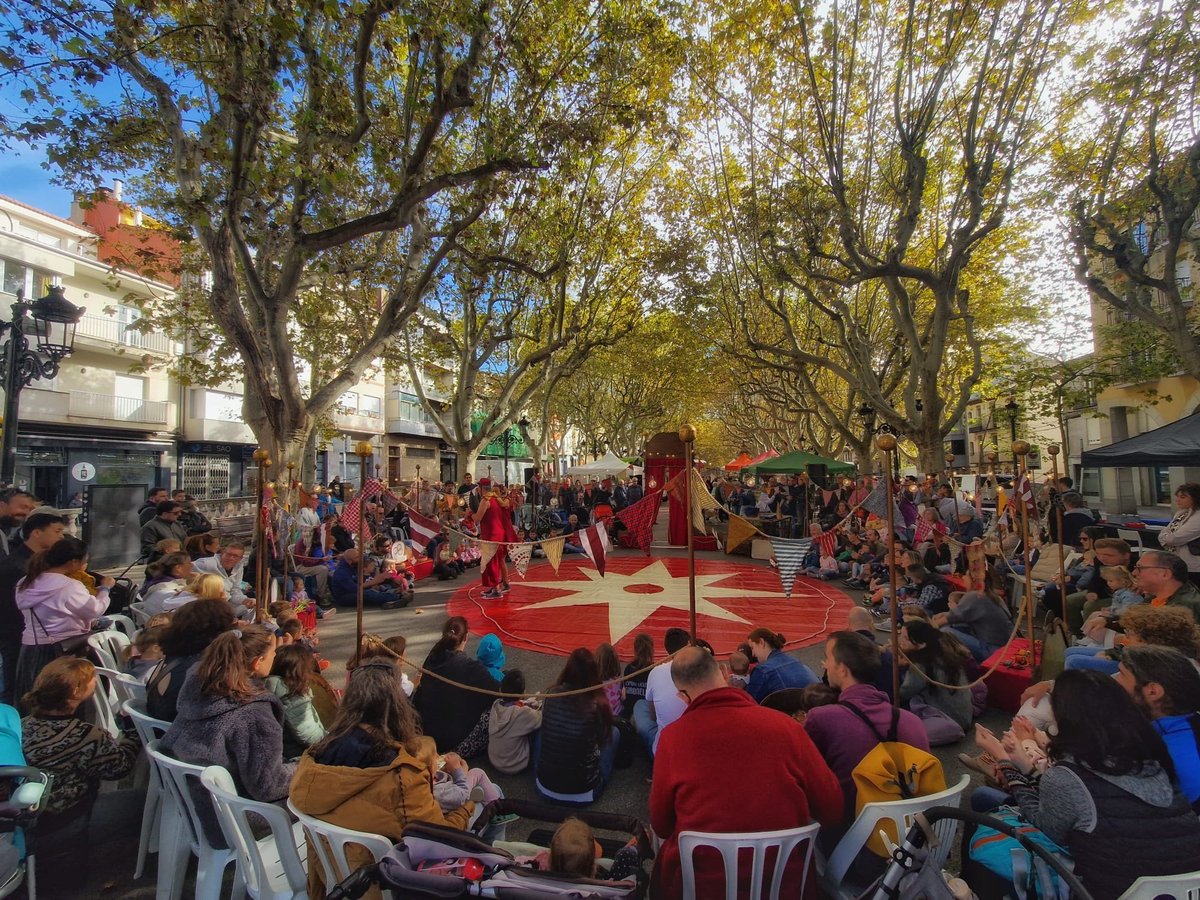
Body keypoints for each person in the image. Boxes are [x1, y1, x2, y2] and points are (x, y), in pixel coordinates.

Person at [975, 669, 1200, 900]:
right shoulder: (1151, 756)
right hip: (1184, 888)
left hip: (1110, 890)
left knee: (984, 817)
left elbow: (1047, 829)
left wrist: (1006, 762)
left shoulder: (1068, 773)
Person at [650, 646, 843, 899]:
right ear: (724, 672)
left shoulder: (673, 738)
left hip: (700, 886)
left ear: (683, 697)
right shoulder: (786, 727)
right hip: (785, 883)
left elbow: (662, 825)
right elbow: (832, 808)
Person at [289, 661, 475, 898]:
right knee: (480, 803)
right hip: (385, 884)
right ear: (397, 708)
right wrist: (470, 804)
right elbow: (438, 839)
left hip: (333, 877)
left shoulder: (314, 761)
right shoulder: (400, 777)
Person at [160, 625, 294, 846]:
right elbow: (268, 786)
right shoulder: (253, 712)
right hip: (235, 818)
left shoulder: (201, 689)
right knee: (328, 793)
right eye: (273, 653)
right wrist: (304, 769)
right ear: (256, 662)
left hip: (199, 806)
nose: (276, 656)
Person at [805, 631, 929, 824]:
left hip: (855, 834)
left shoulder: (821, 719)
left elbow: (806, 780)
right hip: (910, 833)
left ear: (843, 670)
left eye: (827, 658)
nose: (825, 665)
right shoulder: (912, 722)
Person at [20, 656, 139, 828]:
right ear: (76, 691)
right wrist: (133, 733)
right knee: (143, 804)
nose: (95, 680)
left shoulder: (22, 723)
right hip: (66, 817)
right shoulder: (86, 735)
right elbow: (120, 768)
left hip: (25, 814)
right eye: (91, 678)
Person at [14, 537, 112, 700]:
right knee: (63, 699)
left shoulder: (25, 581)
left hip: (31, 648)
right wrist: (105, 589)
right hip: (62, 649)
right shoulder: (69, 585)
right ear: (74, 561)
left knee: (36, 698)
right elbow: (95, 610)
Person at [1117, 644, 1200, 808]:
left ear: (1152, 691)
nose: (1113, 680)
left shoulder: (1168, 755)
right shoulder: (1186, 722)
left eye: (1121, 674)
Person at [534, 647, 618, 806]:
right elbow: (603, 738)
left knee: (540, 732)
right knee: (615, 733)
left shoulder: (552, 694)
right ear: (594, 673)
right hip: (585, 793)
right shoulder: (596, 703)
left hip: (543, 787)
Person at [0, 513, 65, 705]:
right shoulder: (17, 567)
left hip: (32, 635)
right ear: (36, 533)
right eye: (57, 531)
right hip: (17, 635)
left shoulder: (38, 562)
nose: (61, 537)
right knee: (16, 687)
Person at [413, 617, 500, 757]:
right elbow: (497, 693)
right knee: (497, 709)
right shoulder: (470, 667)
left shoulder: (433, 656)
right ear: (466, 637)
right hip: (452, 743)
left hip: (426, 732)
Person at [145, 597, 237, 721]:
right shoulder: (198, 671)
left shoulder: (172, 658)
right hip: (178, 734)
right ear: (217, 632)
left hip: (161, 730)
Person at [899, 620, 973, 744]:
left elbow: (905, 692)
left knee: (902, 729)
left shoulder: (920, 664)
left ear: (921, 644)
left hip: (949, 718)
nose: (900, 640)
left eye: (905, 638)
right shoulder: (944, 653)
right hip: (964, 714)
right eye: (900, 635)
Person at [632, 627, 691, 756]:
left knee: (640, 705)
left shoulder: (656, 672)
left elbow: (654, 716)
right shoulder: (701, 672)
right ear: (688, 646)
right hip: (690, 749)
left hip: (664, 750)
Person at [265, 643, 327, 760]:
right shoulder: (291, 697)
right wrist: (333, 738)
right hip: (298, 756)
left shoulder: (270, 688)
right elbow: (311, 737)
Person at [414, 737, 501, 811]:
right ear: (427, 767)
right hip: (459, 801)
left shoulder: (424, 778)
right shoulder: (438, 792)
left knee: (486, 788)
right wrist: (459, 771)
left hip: (454, 794)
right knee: (478, 773)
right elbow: (461, 796)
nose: (438, 756)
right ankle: (499, 809)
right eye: (434, 755)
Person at [933, 589, 1012, 663]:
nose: (964, 578)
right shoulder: (994, 596)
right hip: (1005, 647)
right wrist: (946, 614)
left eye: (966, 576)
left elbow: (951, 617)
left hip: (991, 650)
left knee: (945, 631)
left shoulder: (975, 596)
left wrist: (929, 624)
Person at [488, 669, 542, 775]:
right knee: (540, 730)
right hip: (514, 764)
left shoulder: (496, 705)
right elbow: (540, 717)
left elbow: (514, 706)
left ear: (500, 690)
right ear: (523, 693)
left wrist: (529, 702)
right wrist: (537, 705)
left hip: (494, 760)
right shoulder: (523, 713)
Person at [744, 627, 818, 702]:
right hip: (811, 705)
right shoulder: (796, 662)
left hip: (787, 710)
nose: (753, 654)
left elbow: (748, 702)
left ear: (761, 642)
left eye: (752, 648)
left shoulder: (762, 670)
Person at [473, 478, 518, 599]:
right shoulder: (496, 498)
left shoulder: (485, 500)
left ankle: (496, 589)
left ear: (481, 488)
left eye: (478, 487)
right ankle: (501, 585)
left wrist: (469, 514)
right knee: (498, 560)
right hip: (499, 533)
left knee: (492, 561)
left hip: (492, 534)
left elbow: (477, 518)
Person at [192, 541, 255, 619]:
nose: (231, 558)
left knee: (252, 607)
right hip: (207, 604)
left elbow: (235, 590)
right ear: (222, 553)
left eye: (235, 556)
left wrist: (244, 600)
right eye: (228, 554)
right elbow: (185, 567)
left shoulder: (238, 568)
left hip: (226, 602)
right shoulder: (206, 563)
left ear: (240, 558)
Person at [330, 549, 408, 609]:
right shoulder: (342, 572)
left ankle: (391, 598)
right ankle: (398, 597)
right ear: (350, 560)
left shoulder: (353, 565)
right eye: (357, 557)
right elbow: (353, 588)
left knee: (381, 586)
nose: (360, 559)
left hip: (358, 588)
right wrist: (374, 581)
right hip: (344, 596)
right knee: (367, 593)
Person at [1159, 482, 1200, 587]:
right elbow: (1163, 534)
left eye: (1183, 497)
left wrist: (1167, 537)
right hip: (1177, 561)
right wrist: (1167, 537)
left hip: (1194, 566)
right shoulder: (1181, 513)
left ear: (1195, 498)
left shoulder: (1198, 517)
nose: (1178, 500)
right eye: (1177, 497)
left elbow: (1175, 538)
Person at [621, 632, 654, 717]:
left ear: (635, 649)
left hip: (629, 713)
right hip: (645, 715)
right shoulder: (653, 670)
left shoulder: (629, 668)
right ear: (651, 650)